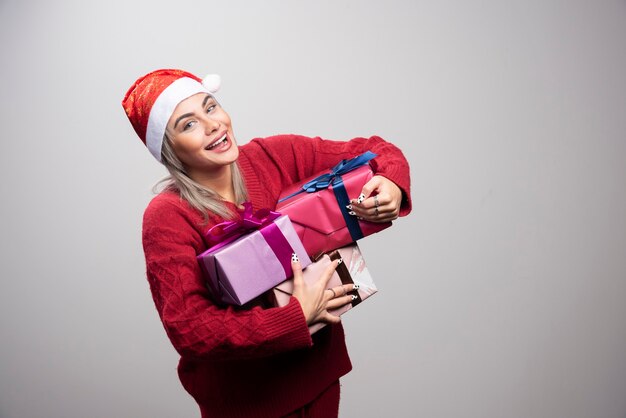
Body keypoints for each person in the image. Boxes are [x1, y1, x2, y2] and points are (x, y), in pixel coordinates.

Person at [122, 69, 412, 418]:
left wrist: (390, 180)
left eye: (211, 107)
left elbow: (377, 151)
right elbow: (191, 329)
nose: (212, 124)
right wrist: (294, 318)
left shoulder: (273, 155)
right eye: (188, 124)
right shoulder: (167, 216)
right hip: (247, 404)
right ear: (169, 150)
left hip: (319, 379)